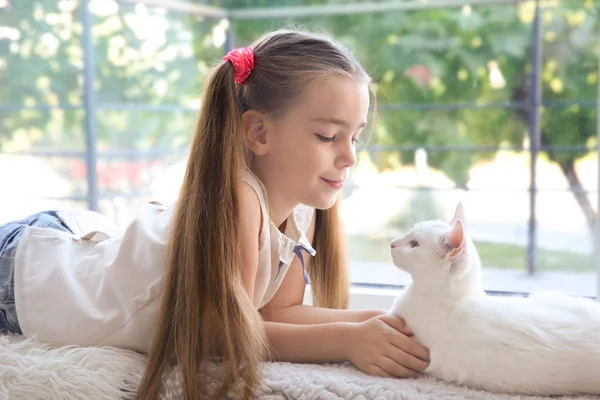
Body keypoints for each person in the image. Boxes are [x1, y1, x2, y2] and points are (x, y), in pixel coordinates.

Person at [0, 29, 430, 399]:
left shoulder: (304, 205)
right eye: (328, 136)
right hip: (27, 275)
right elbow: (223, 334)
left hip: (78, 241)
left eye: (354, 137)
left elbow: (275, 316)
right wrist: (347, 340)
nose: (350, 157)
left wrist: (384, 321)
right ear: (259, 132)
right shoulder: (240, 199)